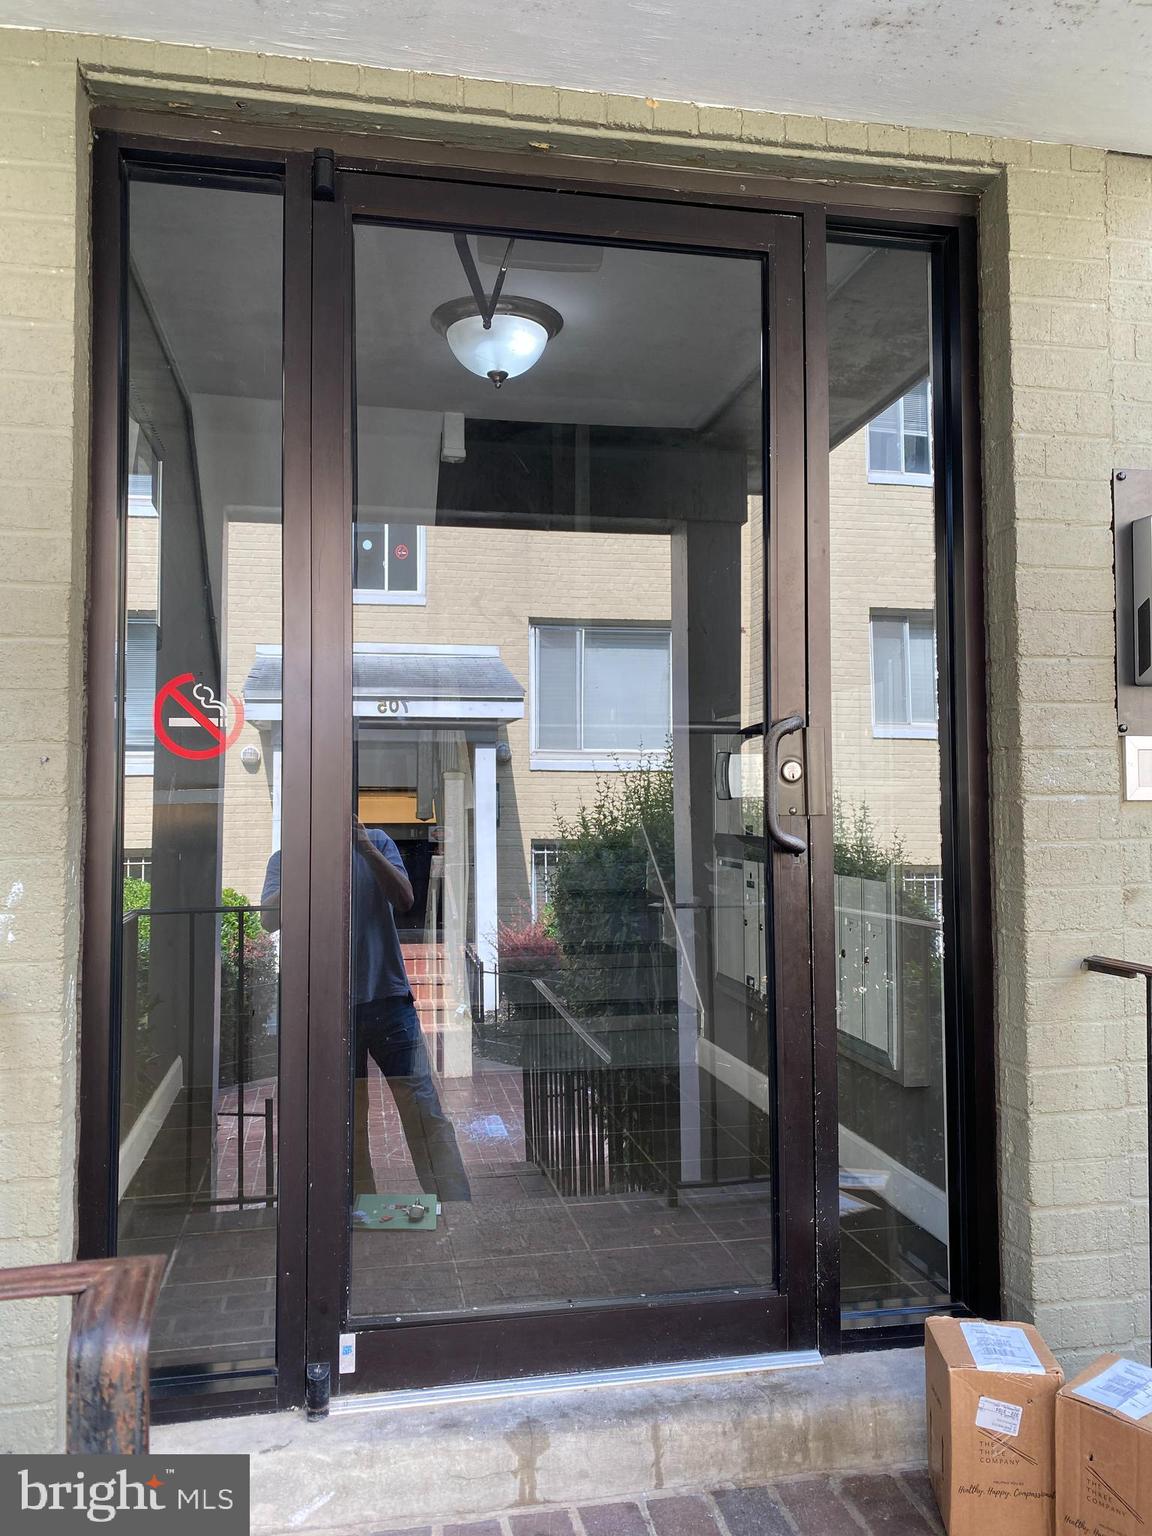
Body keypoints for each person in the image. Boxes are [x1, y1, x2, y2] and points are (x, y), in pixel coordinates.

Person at [260, 819, 471, 1204]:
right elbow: (268, 920)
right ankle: (360, 1208)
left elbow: (406, 899)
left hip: (389, 1002)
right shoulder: (285, 861)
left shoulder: (377, 841)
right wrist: (305, 863)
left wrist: (367, 850)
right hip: (328, 1012)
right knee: (348, 1117)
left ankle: (456, 1204)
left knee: (423, 1108)